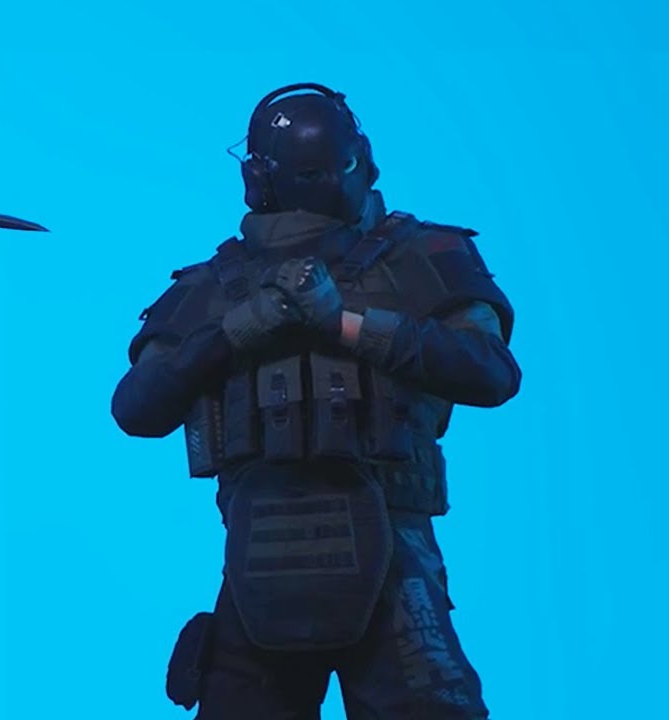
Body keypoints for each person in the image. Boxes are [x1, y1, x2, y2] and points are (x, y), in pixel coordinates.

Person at [111, 83, 522, 719]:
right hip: (263, 566)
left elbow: (490, 373)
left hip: (390, 556)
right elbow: (137, 407)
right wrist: (239, 331)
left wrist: (345, 326)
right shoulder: (219, 285)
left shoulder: (419, 255)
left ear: (257, 178)